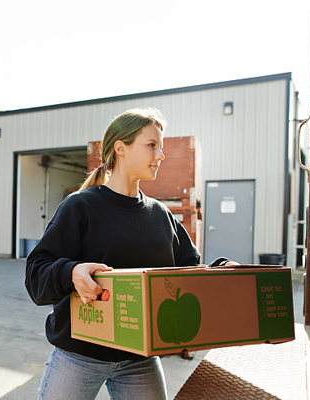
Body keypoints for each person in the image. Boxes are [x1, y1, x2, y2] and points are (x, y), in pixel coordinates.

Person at [25, 108, 233, 400]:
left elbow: (191, 271)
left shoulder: (161, 216)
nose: (160, 155)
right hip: (79, 356)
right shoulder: (80, 207)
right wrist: (71, 272)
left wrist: (222, 271)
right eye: (152, 145)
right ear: (120, 148)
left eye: (161, 148)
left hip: (140, 361)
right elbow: (36, 274)